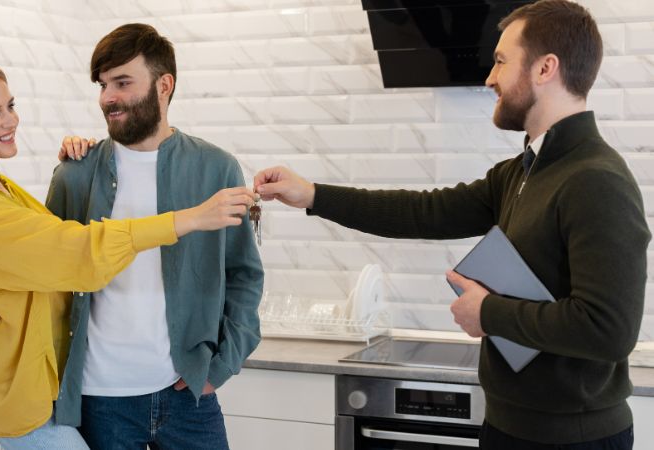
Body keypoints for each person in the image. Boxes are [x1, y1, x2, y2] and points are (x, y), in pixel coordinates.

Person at [253, 1, 648, 449]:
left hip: (572, 440)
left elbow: (609, 330)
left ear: (545, 69)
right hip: (508, 426)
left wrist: (488, 313)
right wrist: (314, 195)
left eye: (501, 61)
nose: (490, 78)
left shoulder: (596, 179)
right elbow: (424, 211)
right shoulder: (521, 171)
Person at [0, 58, 256, 449]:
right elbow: (76, 252)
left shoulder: (3, 189)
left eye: (10, 106)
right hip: (44, 404)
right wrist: (186, 220)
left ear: (165, 85)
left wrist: (223, 362)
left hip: (163, 391)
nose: (11, 121)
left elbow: (30, 267)